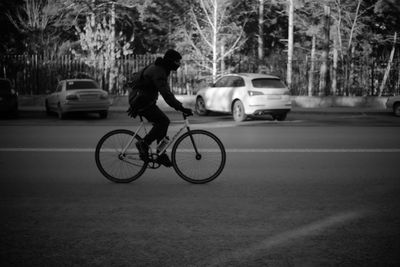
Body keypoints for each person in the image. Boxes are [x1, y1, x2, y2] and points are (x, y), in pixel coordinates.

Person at [128, 49, 193, 167]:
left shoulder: (161, 69)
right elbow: (166, 94)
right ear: (170, 61)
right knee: (163, 122)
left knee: (163, 123)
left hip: (144, 100)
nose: (178, 64)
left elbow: (166, 92)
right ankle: (143, 144)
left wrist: (179, 106)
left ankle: (160, 153)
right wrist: (181, 107)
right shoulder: (159, 71)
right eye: (177, 62)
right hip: (141, 101)